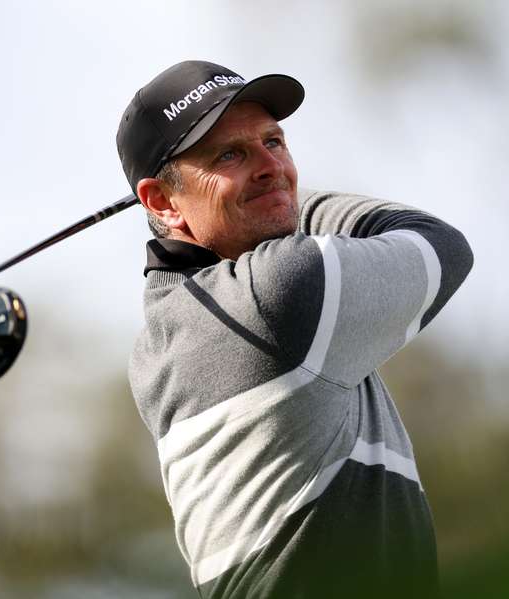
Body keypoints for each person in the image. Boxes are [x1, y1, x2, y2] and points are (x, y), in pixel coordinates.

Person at [116, 60, 473, 598]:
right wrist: (283, 195)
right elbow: (441, 246)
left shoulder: (156, 343)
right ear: (162, 202)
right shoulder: (278, 297)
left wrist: (258, 191)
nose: (269, 164)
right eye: (229, 154)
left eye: (274, 142)